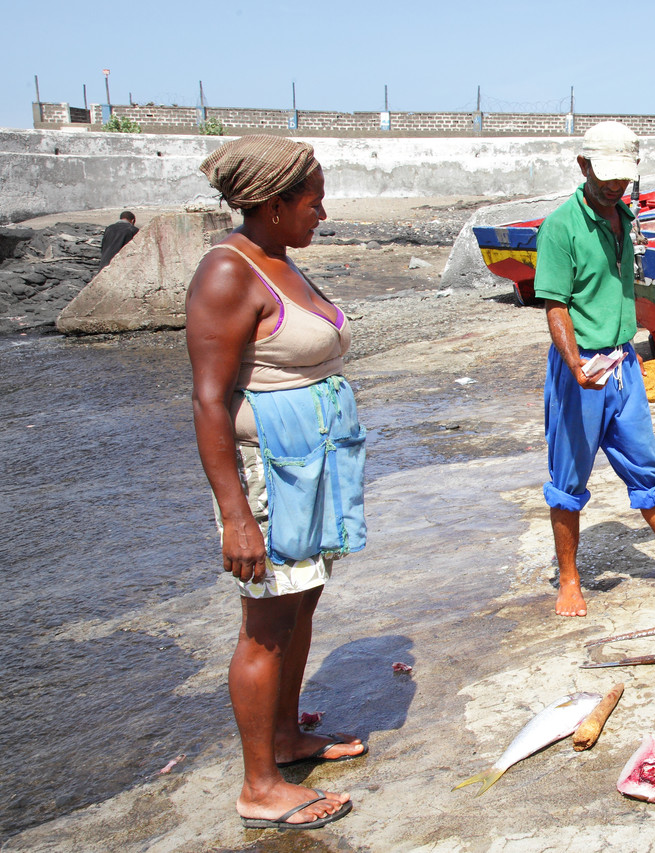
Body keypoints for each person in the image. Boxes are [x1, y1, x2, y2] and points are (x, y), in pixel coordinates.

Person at [186, 136, 367, 830]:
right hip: (270, 474)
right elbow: (209, 400)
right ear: (272, 203)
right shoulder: (228, 274)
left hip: (313, 464)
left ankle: (287, 736)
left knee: (302, 600)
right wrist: (237, 516)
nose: (323, 210)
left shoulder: (280, 261)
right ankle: (258, 785)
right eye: (312, 199)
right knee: (264, 620)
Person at [534, 120, 655, 617]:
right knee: (568, 479)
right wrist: (575, 363)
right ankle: (570, 580)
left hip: (623, 361)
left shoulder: (626, 215)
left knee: (647, 466)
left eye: (622, 178)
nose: (615, 187)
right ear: (583, 167)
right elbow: (555, 305)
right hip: (580, 370)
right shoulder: (561, 227)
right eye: (606, 178)